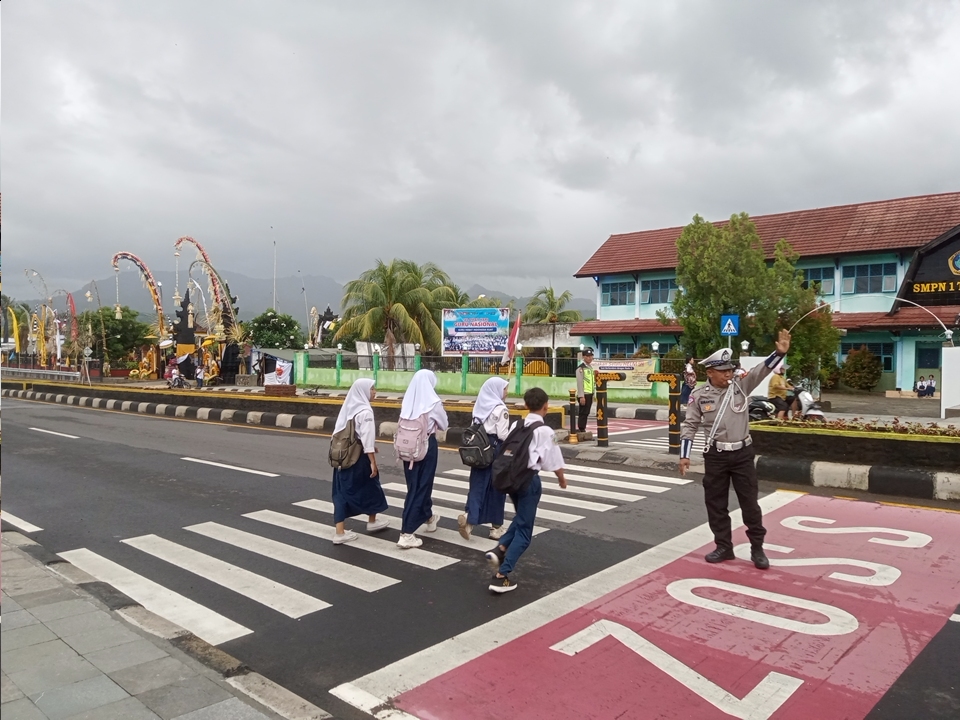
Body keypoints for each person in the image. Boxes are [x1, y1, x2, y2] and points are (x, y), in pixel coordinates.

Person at [679, 328, 792, 571]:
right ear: (710, 372)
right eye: (723, 371)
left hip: (742, 454)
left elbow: (762, 370)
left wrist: (778, 353)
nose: (729, 374)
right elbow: (690, 425)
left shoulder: (741, 387)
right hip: (716, 456)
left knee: (750, 503)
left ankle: (757, 548)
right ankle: (724, 546)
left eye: (730, 369)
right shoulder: (699, 396)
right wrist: (684, 455)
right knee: (716, 503)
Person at [485, 387, 567, 593]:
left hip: (512, 481)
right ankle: (501, 575)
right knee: (525, 531)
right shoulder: (546, 431)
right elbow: (554, 460)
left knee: (521, 518)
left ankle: (501, 547)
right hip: (530, 481)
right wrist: (562, 479)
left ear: (527, 404)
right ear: (546, 406)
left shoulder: (517, 423)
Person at [331, 378, 390, 544]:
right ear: (363, 391)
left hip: (343, 458)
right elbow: (367, 438)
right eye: (371, 389)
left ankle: (340, 531)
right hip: (359, 459)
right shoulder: (365, 412)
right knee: (372, 486)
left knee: (341, 493)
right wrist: (373, 462)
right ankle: (372, 521)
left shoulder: (348, 408)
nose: (374, 391)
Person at [397, 369, 448, 549]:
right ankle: (407, 532)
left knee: (414, 486)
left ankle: (428, 517)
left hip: (407, 449)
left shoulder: (408, 401)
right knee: (422, 487)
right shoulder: (433, 403)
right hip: (426, 447)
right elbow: (444, 424)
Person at [459, 377, 510, 541]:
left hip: (480, 451)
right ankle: (496, 528)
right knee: (497, 488)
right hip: (495, 451)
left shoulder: (480, 406)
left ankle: (470, 518)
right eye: (505, 388)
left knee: (478, 484)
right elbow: (502, 435)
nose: (506, 392)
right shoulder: (501, 410)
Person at [575, 347, 596, 433]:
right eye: (587, 356)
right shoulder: (581, 368)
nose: (589, 358)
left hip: (589, 394)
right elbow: (580, 383)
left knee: (586, 413)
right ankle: (581, 429)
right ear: (583, 357)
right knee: (583, 413)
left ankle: (583, 428)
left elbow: (592, 382)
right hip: (584, 394)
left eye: (591, 356)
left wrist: (593, 394)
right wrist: (581, 396)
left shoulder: (590, 368)